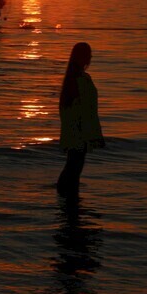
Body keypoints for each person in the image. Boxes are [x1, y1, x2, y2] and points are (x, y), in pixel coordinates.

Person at [57, 42, 104, 193]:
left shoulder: (77, 79)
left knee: (74, 166)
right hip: (78, 131)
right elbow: (82, 109)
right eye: (88, 54)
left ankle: (68, 198)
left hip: (77, 130)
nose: (90, 57)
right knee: (74, 166)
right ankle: (66, 196)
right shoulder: (79, 80)